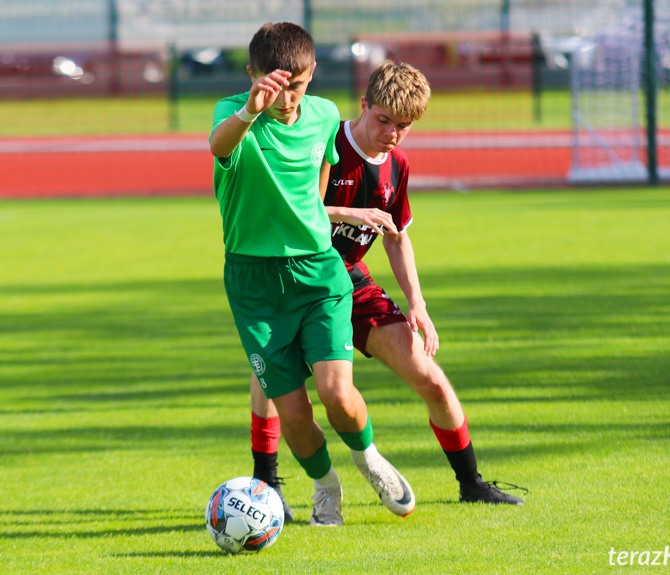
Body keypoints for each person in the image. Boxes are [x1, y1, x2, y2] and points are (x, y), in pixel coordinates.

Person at [249, 60, 526, 523]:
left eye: (404, 126)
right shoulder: (323, 140)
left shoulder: (397, 165)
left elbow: (397, 236)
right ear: (363, 105)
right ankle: (267, 482)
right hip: (294, 277)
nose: (392, 133)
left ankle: (472, 484)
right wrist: (346, 214)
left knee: (431, 377)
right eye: (384, 121)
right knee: (272, 379)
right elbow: (293, 208)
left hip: (351, 282)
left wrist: (417, 303)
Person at [210, 22, 415, 528]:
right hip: (253, 285)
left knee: (337, 394)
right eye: (273, 85)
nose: (285, 99)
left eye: (296, 85)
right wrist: (249, 111)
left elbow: (314, 198)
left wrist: (342, 216)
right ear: (252, 75)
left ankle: (369, 459)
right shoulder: (232, 114)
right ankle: (326, 488)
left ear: (312, 75)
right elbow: (219, 148)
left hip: (318, 273)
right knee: (295, 416)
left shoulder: (323, 115)